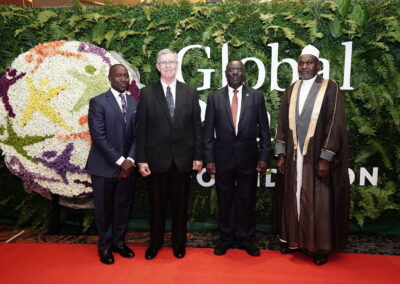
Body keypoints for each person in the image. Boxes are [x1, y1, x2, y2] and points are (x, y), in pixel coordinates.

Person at [274, 45, 350, 265]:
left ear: (318, 64)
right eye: (301, 62)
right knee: (293, 198)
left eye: (309, 62)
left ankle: (318, 248)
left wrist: (325, 158)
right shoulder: (291, 89)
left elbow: (335, 124)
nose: (305, 66)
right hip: (293, 157)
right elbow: (281, 125)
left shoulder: (330, 88)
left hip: (316, 159)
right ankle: (293, 240)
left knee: (317, 202)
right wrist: (280, 154)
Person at [136, 49, 203, 260]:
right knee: (156, 206)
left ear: (177, 65)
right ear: (157, 66)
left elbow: (196, 128)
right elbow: (142, 129)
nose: (167, 66)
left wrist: (198, 156)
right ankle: (154, 245)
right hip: (156, 161)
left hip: (183, 161)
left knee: (180, 207)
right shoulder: (147, 93)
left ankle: (178, 244)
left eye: (171, 62)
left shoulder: (190, 92)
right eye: (163, 63)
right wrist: (141, 159)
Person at [203, 60, 271, 257]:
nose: (235, 73)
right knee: (225, 199)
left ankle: (246, 238)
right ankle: (226, 238)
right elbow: (207, 132)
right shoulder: (214, 98)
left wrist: (265, 155)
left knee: (247, 199)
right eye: (231, 70)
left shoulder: (256, 97)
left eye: (238, 70)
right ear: (226, 73)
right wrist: (209, 159)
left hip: (248, 158)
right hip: (222, 158)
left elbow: (264, 131)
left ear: (244, 73)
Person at [86, 64, 138, 265]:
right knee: (104, 209)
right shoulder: (98, 102)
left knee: (122, 206)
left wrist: (131, 160)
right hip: (104, 167)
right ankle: (105, 246)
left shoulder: (134, 103)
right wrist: (120, 161)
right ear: (110, 78)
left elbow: (137, 135)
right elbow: (98, 136)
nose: (123, 79)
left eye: (126, 76)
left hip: (128, 168)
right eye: (119, 76)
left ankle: (118, 242)